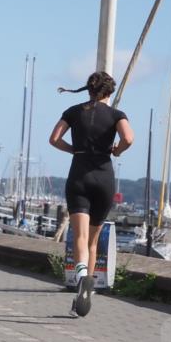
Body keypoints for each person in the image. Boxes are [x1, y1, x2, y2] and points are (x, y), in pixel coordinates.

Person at [49, 71, 133, 317]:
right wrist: (117, 151)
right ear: (110, 92)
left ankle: (82, 276)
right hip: (103, 178)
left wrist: (75, 149)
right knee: (93, 242)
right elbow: (129, 138)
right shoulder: (117, 115)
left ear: (89, 90)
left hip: (79, 176)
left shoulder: (73, 112)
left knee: (80, 236)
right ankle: (86, 290)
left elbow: (54, 139)